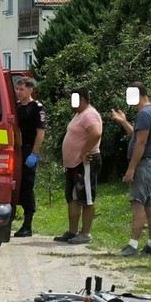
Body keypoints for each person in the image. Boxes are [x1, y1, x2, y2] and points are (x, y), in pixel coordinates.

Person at [110, 82, 151, 256]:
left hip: (143, 165)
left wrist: (131, 168)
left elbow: (141, 142)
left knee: (137, 204)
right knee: (149, 203)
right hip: (150, 164)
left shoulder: (144, 114)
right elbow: (137, 135)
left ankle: (132, 246)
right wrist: (124, 122)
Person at [55, 87, 102, 245]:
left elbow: (96, 133)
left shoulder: (89, 114)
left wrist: (84, 152)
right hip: (74, 164)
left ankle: (86, 233)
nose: (70, 102)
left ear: (82, 99)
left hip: (85, 163)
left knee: (86, 198)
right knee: (73, 197)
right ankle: (72, 232)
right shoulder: (79, 114)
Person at [13, 76, 46, 237]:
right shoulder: (16, 106)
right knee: (14, 184)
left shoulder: (37, 108)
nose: (18, 92)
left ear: (30, 90)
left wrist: (34, 153)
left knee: (27, 186)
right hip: (16, 150)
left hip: (28, 150)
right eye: (17, 89)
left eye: (22, 89)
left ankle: (27, 224)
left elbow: (40, 133)